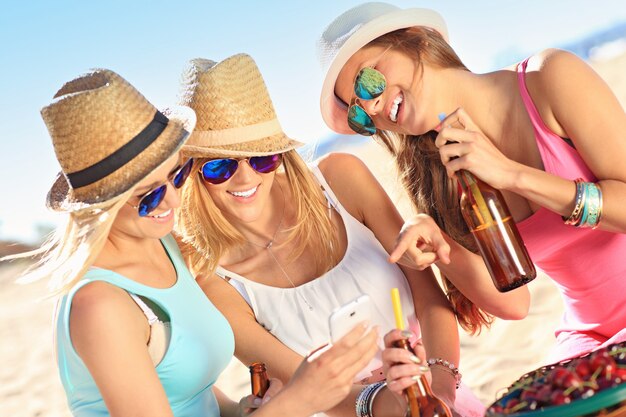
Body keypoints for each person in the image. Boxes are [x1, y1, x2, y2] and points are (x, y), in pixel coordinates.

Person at [11, 68, 379, 417]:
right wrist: (298, 400)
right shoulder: (100, 306)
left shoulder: (166, 245)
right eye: (149, 196)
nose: (172, 201)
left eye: (177, 175)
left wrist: (241, 409)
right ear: (98, 208)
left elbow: (186, 391)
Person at [175, 53, 485, 417]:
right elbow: (306, 387)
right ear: (193, 174)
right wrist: (392, 402)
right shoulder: (217, 284)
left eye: (260, 158)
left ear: (280, 155)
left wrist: (440, 393)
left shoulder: (341, 179)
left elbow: (430, 299)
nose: (245, 179)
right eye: (218, 166)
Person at [318, 2, 626, 363]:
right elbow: (515, 304)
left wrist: (513, 175)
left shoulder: (550, 77)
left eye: (366, 81)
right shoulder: (447, 177)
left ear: (416, 38)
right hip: (594, 336)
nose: (370, 109)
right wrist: (443, 250)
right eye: (358, 114)